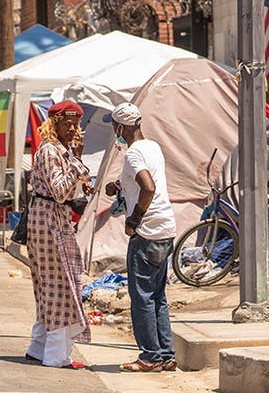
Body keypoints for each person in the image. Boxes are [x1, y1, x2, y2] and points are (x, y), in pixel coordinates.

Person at [104, 102, 178, 372]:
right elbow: (142, 182)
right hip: (165, 229)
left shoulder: (133, 153)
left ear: (121, 126)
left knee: (142, 297)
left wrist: (134, 219)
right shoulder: (153, 147)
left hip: (146, 233)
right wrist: (118, 186)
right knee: (157, 296)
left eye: (114, 126)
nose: (114, 131)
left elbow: (148, 186)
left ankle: (149, 356)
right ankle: (165, 354)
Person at [25, 100, 93, 369]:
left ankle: (38, 347)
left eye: (76, 124)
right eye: (67, 124)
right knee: (60, 287)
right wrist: (76, 161)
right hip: (49, 221)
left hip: (52, 219)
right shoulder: (50, 151)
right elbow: (60, 192)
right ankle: (56, 356)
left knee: (49, 286)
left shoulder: (61, 149)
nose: (73, 130)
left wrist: (78, 160)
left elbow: (77, 182)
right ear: (53, 124)